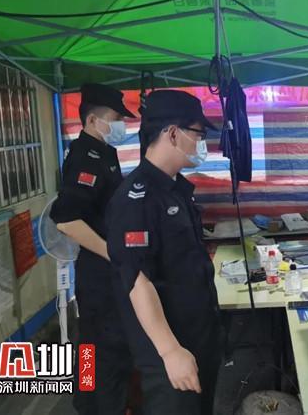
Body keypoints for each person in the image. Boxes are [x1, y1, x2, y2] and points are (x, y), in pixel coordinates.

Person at [106, 90, 221, 415]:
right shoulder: (135, 199)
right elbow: (137, 281)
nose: (201, 143)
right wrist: (170, 351)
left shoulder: (176, 189)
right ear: (173, 133)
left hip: (197, 339)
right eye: (198, 134)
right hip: (171, 350)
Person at [50, 83, 135, 415]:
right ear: (92, 120)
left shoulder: (105, 152)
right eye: (116, 118)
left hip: (106, 265)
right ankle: (98, 406)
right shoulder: (84, 157)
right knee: (104, 349)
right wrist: (110, 252)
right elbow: (66, 220)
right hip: (99, 270)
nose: (121, 125)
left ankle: (86, 401)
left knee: (92, 343)